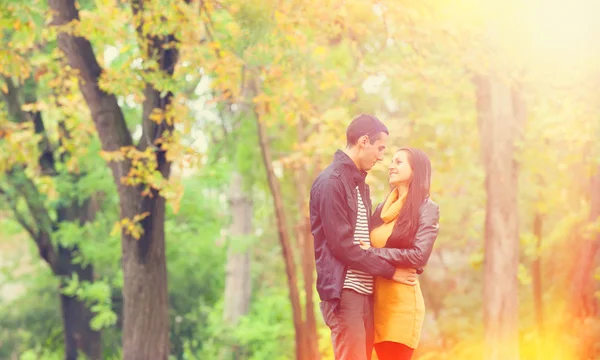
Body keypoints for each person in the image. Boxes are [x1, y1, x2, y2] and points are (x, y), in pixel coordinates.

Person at [309, 114, 421, 360]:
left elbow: (367, 241)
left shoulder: (359, 185)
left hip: (364, 292)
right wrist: (391, 270)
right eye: (380, 148)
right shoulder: (331, 182)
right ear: (363, 141)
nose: (381, 156)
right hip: (344, 291)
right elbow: (343, 247)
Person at [360, 148, 440, 360]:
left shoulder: (426, 208)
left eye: (399, 162)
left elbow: (419, 256)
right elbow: (362, 250)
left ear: (416, 170)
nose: (391, 165)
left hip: (402, 304)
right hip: (376, 303)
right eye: (391, 161)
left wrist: (375, 253)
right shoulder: (381, 210)